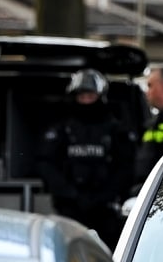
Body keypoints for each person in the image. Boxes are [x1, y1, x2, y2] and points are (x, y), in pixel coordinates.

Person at [36, 69, 135, 249]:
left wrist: (104, 196)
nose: (86, 101)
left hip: (106, 209)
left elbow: (126, 167)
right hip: (69, 207)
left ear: (101, 97)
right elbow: (45, 163)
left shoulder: (116, 130)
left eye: (90, 96)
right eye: (82, 96)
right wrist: (70, 194)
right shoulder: (61, 129)